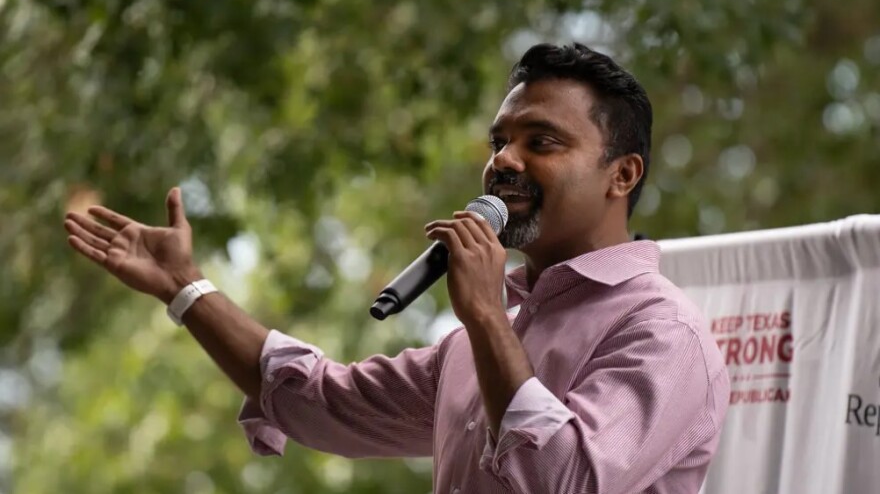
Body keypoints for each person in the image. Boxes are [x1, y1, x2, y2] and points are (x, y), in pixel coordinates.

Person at [64, 43, 729, 493]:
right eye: (500, 140)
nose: (505, 160)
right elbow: (317, 399)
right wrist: (187, 288)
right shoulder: (476, 347)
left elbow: (563, 479)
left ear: (623, 174)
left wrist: (487, 316)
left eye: (542, 142)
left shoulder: (663, 333)